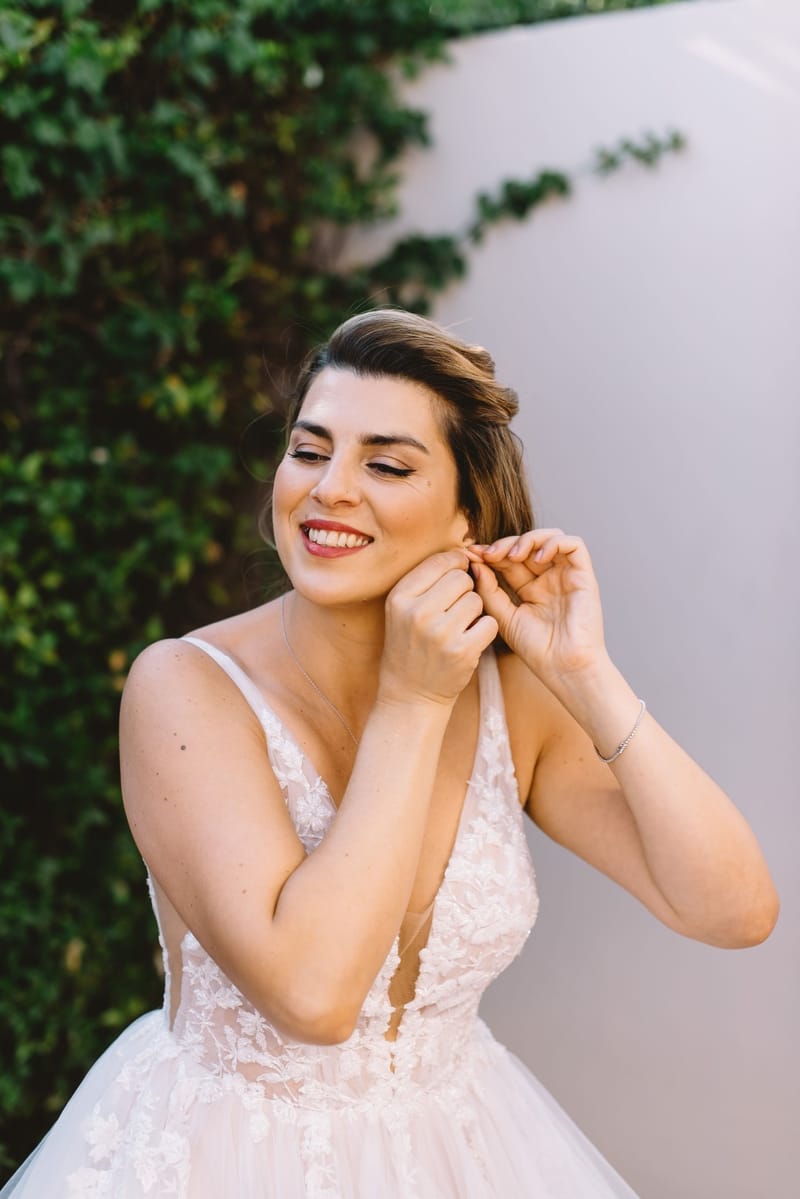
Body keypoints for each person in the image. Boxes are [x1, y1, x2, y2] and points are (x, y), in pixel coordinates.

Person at [2, 308, 778, 1198]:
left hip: (464, 1152)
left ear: (467, 517)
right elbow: (314, 995)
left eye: (386, 463)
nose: (330, 487)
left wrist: (585, 673)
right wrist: (413, 698)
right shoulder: (184, 688)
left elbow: (733, 910)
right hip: (223, 1160)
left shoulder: (511, 696)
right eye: (309, 449)